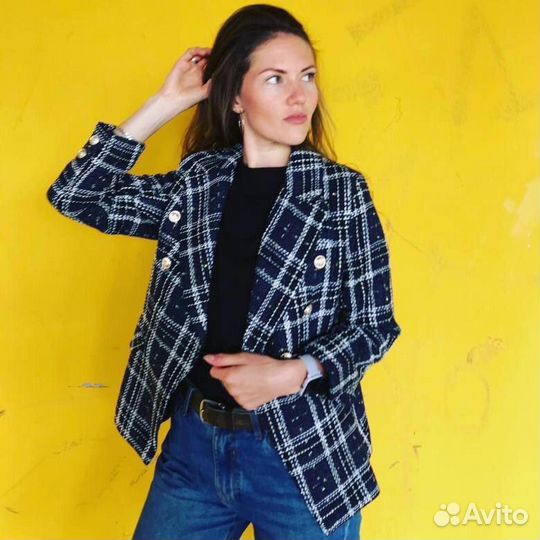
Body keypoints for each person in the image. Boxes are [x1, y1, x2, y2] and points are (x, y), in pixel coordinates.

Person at [46, 4, 401, 539]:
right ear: (235, 95)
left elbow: (375, 327)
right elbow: (77, 196)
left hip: (303, 451)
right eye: (275, 79)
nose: (299, 96)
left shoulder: (340, 193)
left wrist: (292, 373)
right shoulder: (197, 185)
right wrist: (167, 102)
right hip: (196, 448)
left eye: (307, 76)